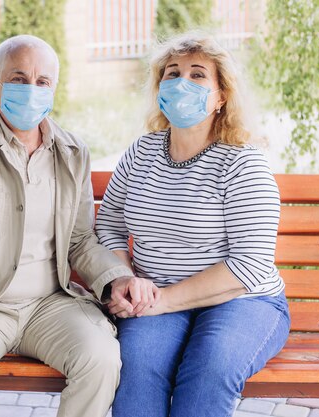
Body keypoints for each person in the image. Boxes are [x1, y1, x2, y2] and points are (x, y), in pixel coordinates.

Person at [0, 34, 157, 417]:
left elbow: (78, 240)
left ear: (54, 88)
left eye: (42, 82)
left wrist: (117, 277)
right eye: (19, 79)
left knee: (102, 359)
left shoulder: (72, 153)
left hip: (48, 305)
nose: (31, 90)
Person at [95, 31, 291, 417]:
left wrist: (162, 301)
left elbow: (250, 264)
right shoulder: (141, 152)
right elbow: (111, 224)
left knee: (208, 371)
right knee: (135, 368)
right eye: (172, 73)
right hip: (155, 300)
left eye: (198, 74)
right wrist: (120, 279)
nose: (181, 82)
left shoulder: (242, 162)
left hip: (243, 301)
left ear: (221, 96)